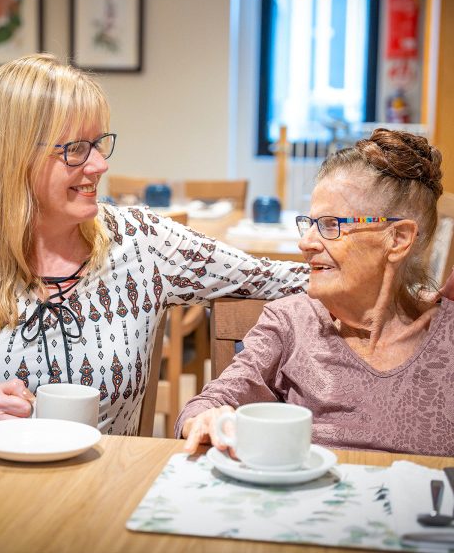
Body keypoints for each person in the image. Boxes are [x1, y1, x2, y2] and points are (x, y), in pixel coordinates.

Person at [0, 53, 309, 435]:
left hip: (104, 491)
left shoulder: (142, 242)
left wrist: (357, 241)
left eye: (100, 143)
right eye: (76, 149)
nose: (100, 165)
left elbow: (276, 279)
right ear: (14, 157)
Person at [177, 129, 454, 456]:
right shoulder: (291, 322)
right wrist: (206, 418)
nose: (305, 243)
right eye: (309, 223)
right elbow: (208, 404)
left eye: (330, 225)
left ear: (398, 239)